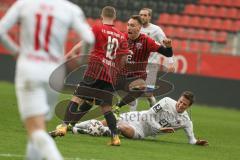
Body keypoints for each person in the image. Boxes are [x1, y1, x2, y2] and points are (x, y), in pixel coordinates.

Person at [0, 0, 95, 159]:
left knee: (35, 129)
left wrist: (16, 51)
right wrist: (80, 61)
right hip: (54, 73)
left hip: (29, 69)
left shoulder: (24, 4)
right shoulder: (69, 8)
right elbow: (89, 38)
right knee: (39, 127)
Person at [49, 6, 129, 146]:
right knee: (106, 108)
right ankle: (115, 137)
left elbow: (83, 44)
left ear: (101, 16)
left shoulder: (97, 28)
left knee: (77, 98)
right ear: (114, 18)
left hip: (94, 70)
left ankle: (63, 126)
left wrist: (69, 56)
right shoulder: (121, 36)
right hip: (110, 75)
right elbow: (124, 60)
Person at [72, 91, 209, 146]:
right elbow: (149, 113)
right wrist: (159, 128)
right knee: (107, 120)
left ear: (188, 106)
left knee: (121, 128)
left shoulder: (186, 121)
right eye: (180, 101)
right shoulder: (167, 101)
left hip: (141, 131)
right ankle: (73, 127)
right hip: (137, 116)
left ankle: (84, 131)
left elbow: (191, 139)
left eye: (184, 104)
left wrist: (197, 142)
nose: (180, 105)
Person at [113, 15, 175, 115]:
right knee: (103, 86)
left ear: (139, 27)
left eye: (132, 25)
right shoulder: (121, 38)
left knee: (144, 89)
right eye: (128, 25)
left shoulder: (147, 41)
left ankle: (118, 107)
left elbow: (168, 53)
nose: (129, 27)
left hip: (138, 75)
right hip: (121, 74)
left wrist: (169, 47)